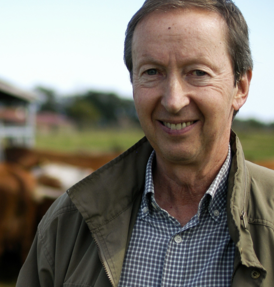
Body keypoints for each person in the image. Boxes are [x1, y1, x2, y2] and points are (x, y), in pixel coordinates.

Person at [16, 0, 274, 286]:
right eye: (152, 72)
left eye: (198, 73)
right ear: (133, 83)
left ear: (241, 87)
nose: (173, 101)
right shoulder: (69, 219)